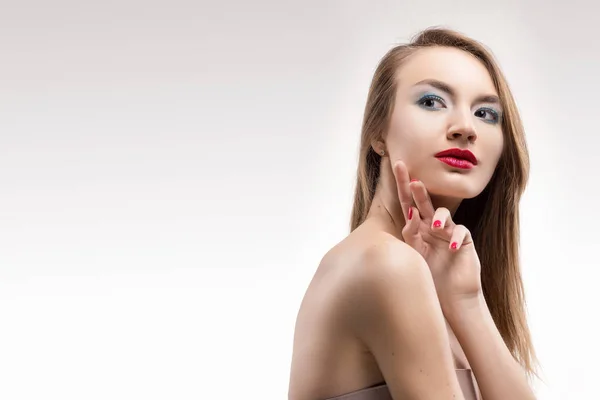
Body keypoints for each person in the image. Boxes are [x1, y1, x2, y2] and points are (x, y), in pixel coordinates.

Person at [288, 27, 540, 400]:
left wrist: (466, 303)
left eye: (485, 113)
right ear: (378, 132)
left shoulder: (422, 269)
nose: (465, 128)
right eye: (432, 102)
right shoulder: (387, 265)